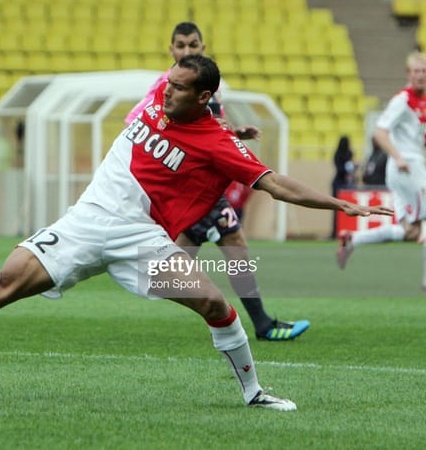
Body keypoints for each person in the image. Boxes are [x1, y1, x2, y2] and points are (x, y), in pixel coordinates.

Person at [0, 54, 392, 411]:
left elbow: (274, 183)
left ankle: (254, 392)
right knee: (2, 282)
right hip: (88, 220)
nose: (165, 91)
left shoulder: (215, 140)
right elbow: (172, 89)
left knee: (214, 303)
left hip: (141, 240)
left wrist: (339, 204)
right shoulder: (161, 92)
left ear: (203, 96)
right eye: (169, 80)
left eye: (179, 87)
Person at [127, 22, 310, 341]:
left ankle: (261, 322)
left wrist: (233, 133)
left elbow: (203, 127)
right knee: (190, 259)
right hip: (190, 184)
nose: (186, 50)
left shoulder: (210, 83)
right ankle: (148, 276)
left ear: (203, 48)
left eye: (192, 45)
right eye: (181, 45)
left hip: (206, 183)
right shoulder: (166, 85)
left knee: (231, 244)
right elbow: (136, 122)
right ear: (171, 50)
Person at [337, 52, 426, 293]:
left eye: (425, 71)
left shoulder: (423, 101)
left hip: (407, 168)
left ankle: (352, 239)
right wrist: (398, 156)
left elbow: (422, 137)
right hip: (407, 168)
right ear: (408, 74)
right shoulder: (402, 100)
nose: (421, 75)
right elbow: (379, 132)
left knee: (411, 232)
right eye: (416, 71)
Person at [331, 135, 356, 238]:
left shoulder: (349, 153)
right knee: (337, 209)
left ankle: (346, 230)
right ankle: (335, 232)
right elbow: (340, 169)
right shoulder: (338, 154)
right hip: (339, 184)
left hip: (346, 184)